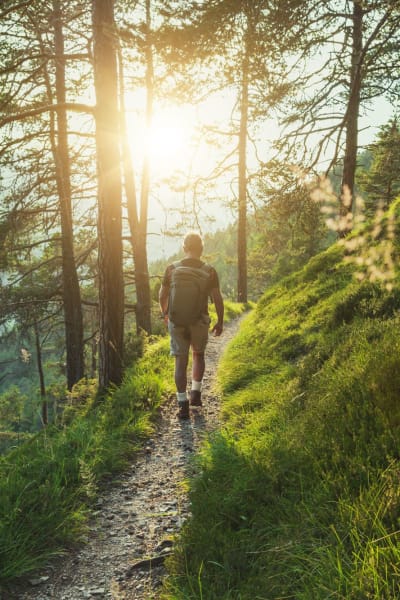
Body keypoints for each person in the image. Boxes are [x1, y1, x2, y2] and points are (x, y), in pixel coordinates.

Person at [159, 232, 224, 419]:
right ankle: (195, 393)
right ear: (201, 250)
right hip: (199, 320)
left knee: (180, 361)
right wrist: (220, 320)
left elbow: (162, 295)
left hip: (176, 321)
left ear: (184, 248)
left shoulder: (171, 268)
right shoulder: (209, 270)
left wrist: (166, 314)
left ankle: (182, 404)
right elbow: (217, 298)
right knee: (198, 354)